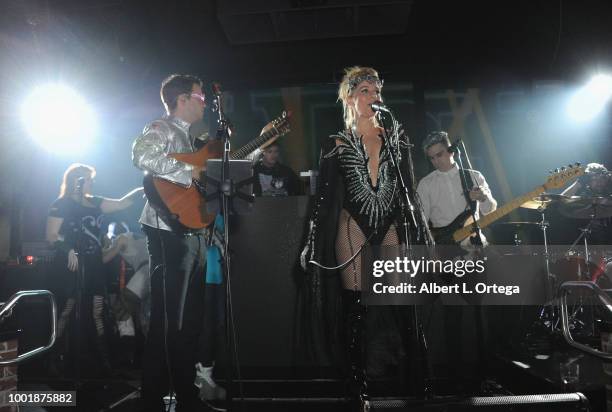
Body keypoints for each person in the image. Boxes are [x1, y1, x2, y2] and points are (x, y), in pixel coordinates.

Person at [300, 67, 426, 403]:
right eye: (367, 90)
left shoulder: (396, 137)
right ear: (351, 97)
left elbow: (409, 189)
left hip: (389, 222)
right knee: (355, 305)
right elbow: (323, 198)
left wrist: (418, 228)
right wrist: (311, 238)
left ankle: (414, 380)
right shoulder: (337, 142)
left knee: (400, 301)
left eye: (377, 90)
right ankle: (357, 387)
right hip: (352, 222)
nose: (375, 97)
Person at [132, 73, 210, 411]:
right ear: (182, 99)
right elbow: (141, 156)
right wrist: (185, 173)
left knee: (188, 319)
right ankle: (152, 396)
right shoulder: (162, 128)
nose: (204, 102)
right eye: (200, 96)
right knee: (168, 318)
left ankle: (185, 394)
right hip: (165, 229)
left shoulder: (193, 140)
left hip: (190, 232)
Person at [45, 163, 143, 376]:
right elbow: (51, 236)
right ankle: (53, 359)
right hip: (71, 264)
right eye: (89, 179)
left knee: (97, 311)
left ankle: (102, 363)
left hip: (94, 265)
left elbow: (122, 203)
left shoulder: (95, 202)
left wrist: (147, 185)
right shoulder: (61, 204)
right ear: (77, 181)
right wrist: (68, 248)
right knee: (66, 310)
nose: (92, 182)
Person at [415, 131, 496, 386]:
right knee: (452, 315)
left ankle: (484, 372)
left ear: (451, 151)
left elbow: (491, 209)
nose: (436, 161)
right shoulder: (426, 184)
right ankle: (454, 375)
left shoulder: (473, 176)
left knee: (480, 313)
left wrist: (482, 198)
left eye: (439, 154)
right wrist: (433, 253)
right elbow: (422, 224)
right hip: (446, 253)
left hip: (474, 250)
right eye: (431, 158)